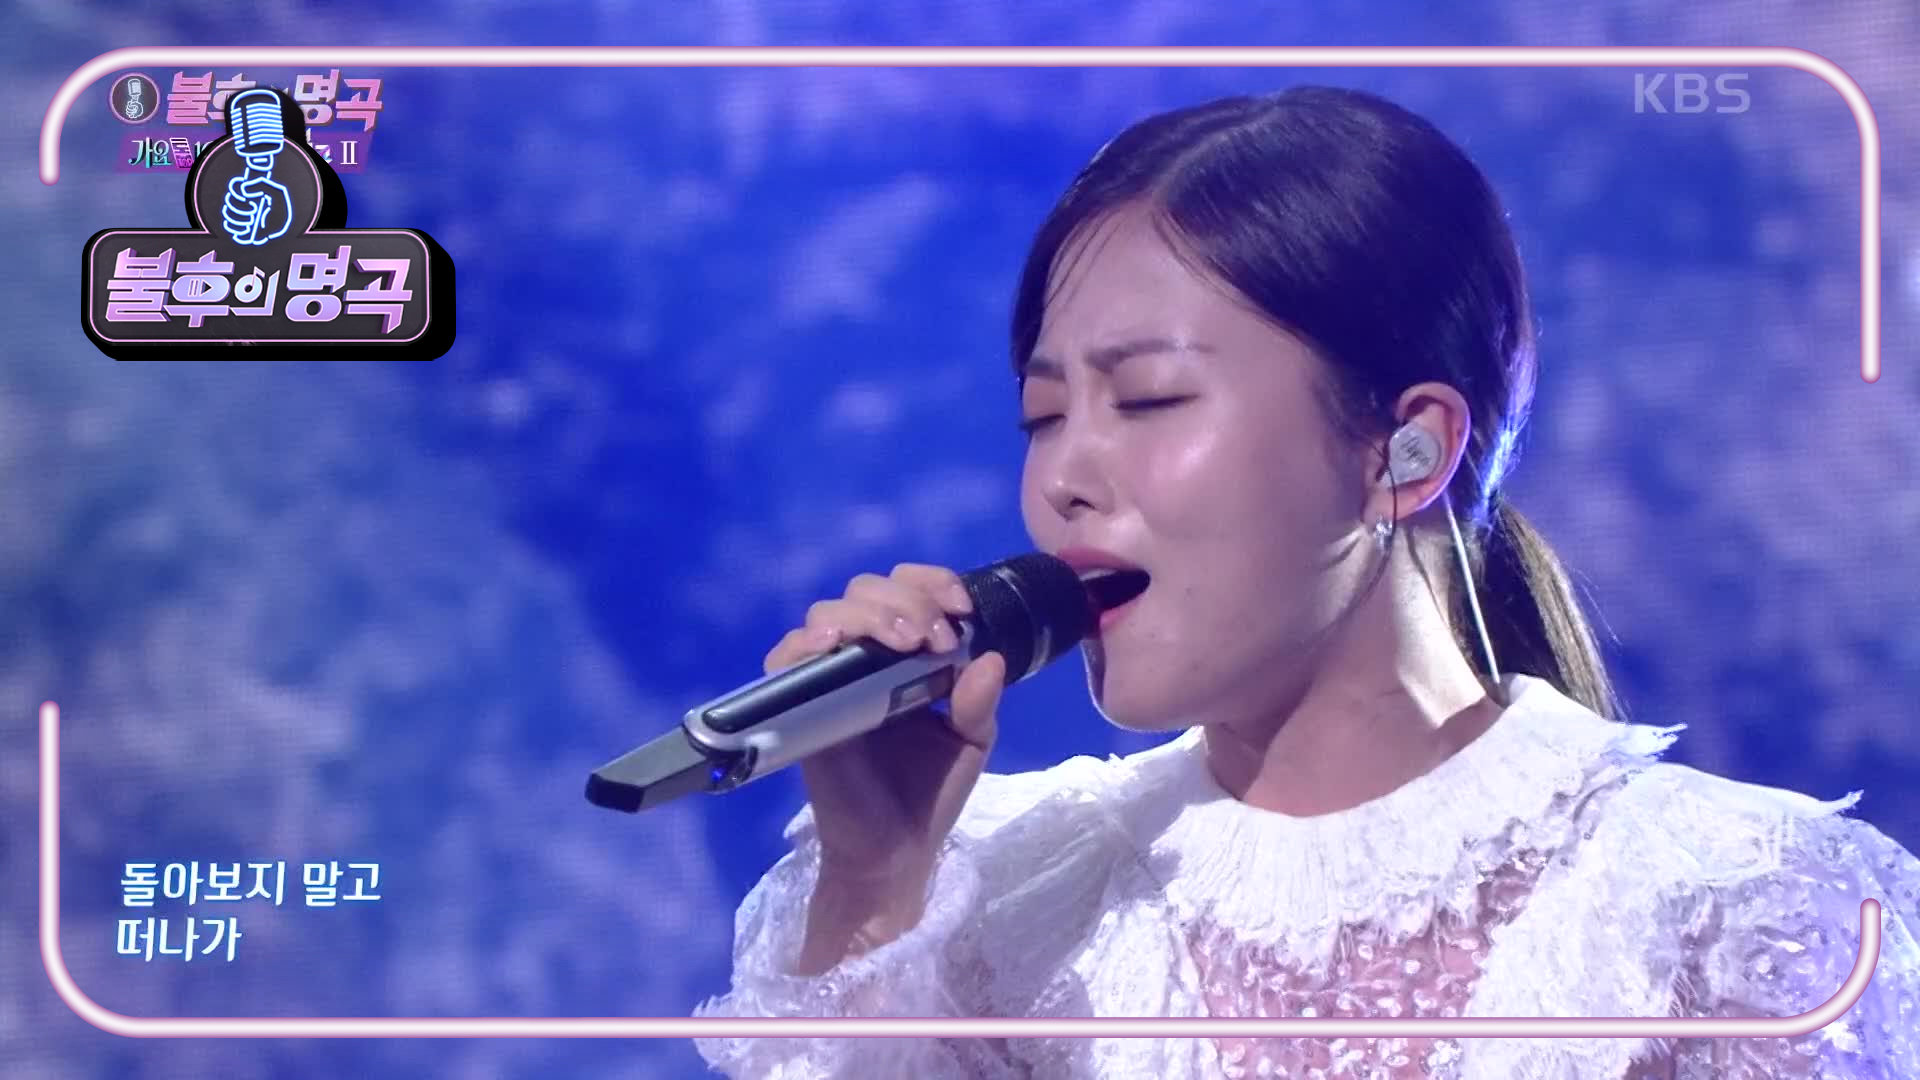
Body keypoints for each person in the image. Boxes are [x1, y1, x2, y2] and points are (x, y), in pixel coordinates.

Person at [690, 85, 1920, 1078]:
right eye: (1042, 416)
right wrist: (874, 882)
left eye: (1149, 399)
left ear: (1406, 449)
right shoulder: (1005, 904)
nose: (1063, 478)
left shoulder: (1726, 909)